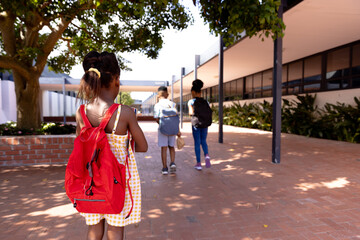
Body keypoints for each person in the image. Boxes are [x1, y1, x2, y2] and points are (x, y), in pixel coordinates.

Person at [75, 51, 148, 240]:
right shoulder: (125, 113)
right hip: (117, 182)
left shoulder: (81, 112)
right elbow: (143, 146)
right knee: (115, 229)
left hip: (91, 181)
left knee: (94, 228)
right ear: (116, 79)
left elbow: (81, 145)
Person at [153, 86, 181, 175]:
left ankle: (164, 168)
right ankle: (172, 162)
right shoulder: (172, 104)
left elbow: (156, 119)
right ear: (167, 94)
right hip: (173, 128)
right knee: (171, 146)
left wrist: (163, 124)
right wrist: (177, 130)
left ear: (158, 95)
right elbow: (176, 117)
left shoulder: (157, 105)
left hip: (163, 129)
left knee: (164, 148)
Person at [187, 79, 211, 171]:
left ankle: (198, 163)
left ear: (193, 92)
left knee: (197, 142)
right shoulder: (206, 102)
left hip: (196, 124)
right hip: (205, 123)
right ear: (200, 92)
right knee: (203, 140)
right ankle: (207, 155)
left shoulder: (191, 102)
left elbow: (190, 113)